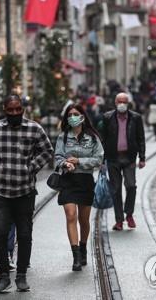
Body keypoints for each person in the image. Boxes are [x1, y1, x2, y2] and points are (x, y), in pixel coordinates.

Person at [0, 94, 53, 293]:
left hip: (25, 192)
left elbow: (47, 150)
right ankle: (4, 275)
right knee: (1, 233)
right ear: (4, 109)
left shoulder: (34, 128)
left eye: (17, 109)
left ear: (22, 109)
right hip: (2, 192)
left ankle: (21, 276)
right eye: (10, 110)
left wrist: (31, 167)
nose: (14, 113)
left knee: (25, 234)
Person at [54, 104, 104, 271]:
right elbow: (57, 157)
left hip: (85, 180)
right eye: (70, 114)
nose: (73, 117)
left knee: (84, 220)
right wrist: (65, 163)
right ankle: (75, 256)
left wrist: (79, 161)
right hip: (68, 180)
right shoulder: (63, 137)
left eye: (76, 114)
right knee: (70, 215)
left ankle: (83, 248)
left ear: (82, 116)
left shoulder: (92, 137)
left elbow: (98, 159)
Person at [101, 93, 146, 231]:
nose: (121, 104)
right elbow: (103, 139)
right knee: (116, 190)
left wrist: (142, 157)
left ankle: (129, 214)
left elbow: (141, 138)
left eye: (124, 102)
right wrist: (102, 159)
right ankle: (119, 220)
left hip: (129, 157)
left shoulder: (136, 118)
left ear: (128, 103)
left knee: (131, 186)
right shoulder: (107, 117)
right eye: (119, 101)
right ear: (115, 102)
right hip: (113, 158)